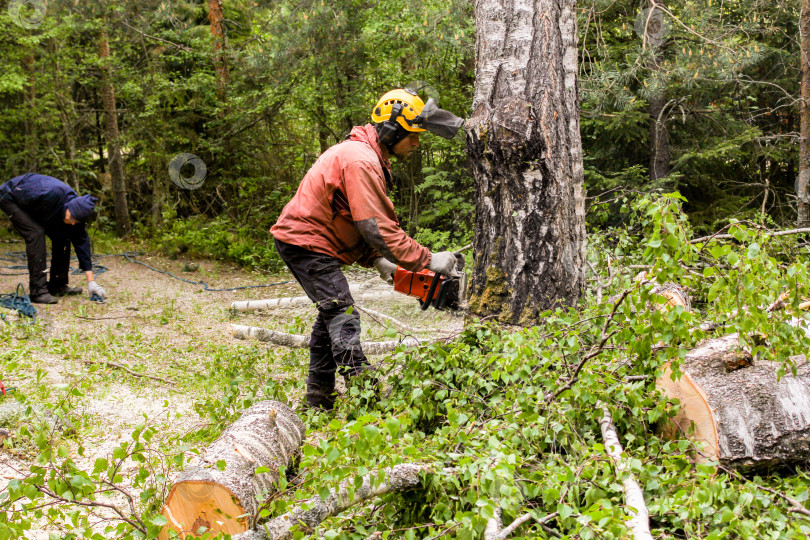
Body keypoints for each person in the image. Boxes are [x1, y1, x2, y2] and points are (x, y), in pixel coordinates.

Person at [271, 86, 465, 410]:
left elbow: (350, 215)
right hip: (306, 242)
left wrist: (378, 261)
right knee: (342, 312)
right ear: (392, 131)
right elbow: (375, 228)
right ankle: (366, 392)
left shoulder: (364, 156)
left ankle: (318, 399)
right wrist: (429, 259)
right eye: (412, 135)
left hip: (313, 241)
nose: (416, 143)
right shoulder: (361, 160)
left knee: (330, 314)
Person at [0, 173, 107, 305]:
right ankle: (38, 291)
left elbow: (82, 245)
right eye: (72, 218)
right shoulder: (48, 193)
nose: (73, 223)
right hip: (11, 196)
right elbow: (21, 198)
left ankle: (57, 284)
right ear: (69, 208)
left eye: (76, 221)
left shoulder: (75, 214)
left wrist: (91, 282)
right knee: (36, 233)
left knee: (63, 236)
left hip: (40, 207)